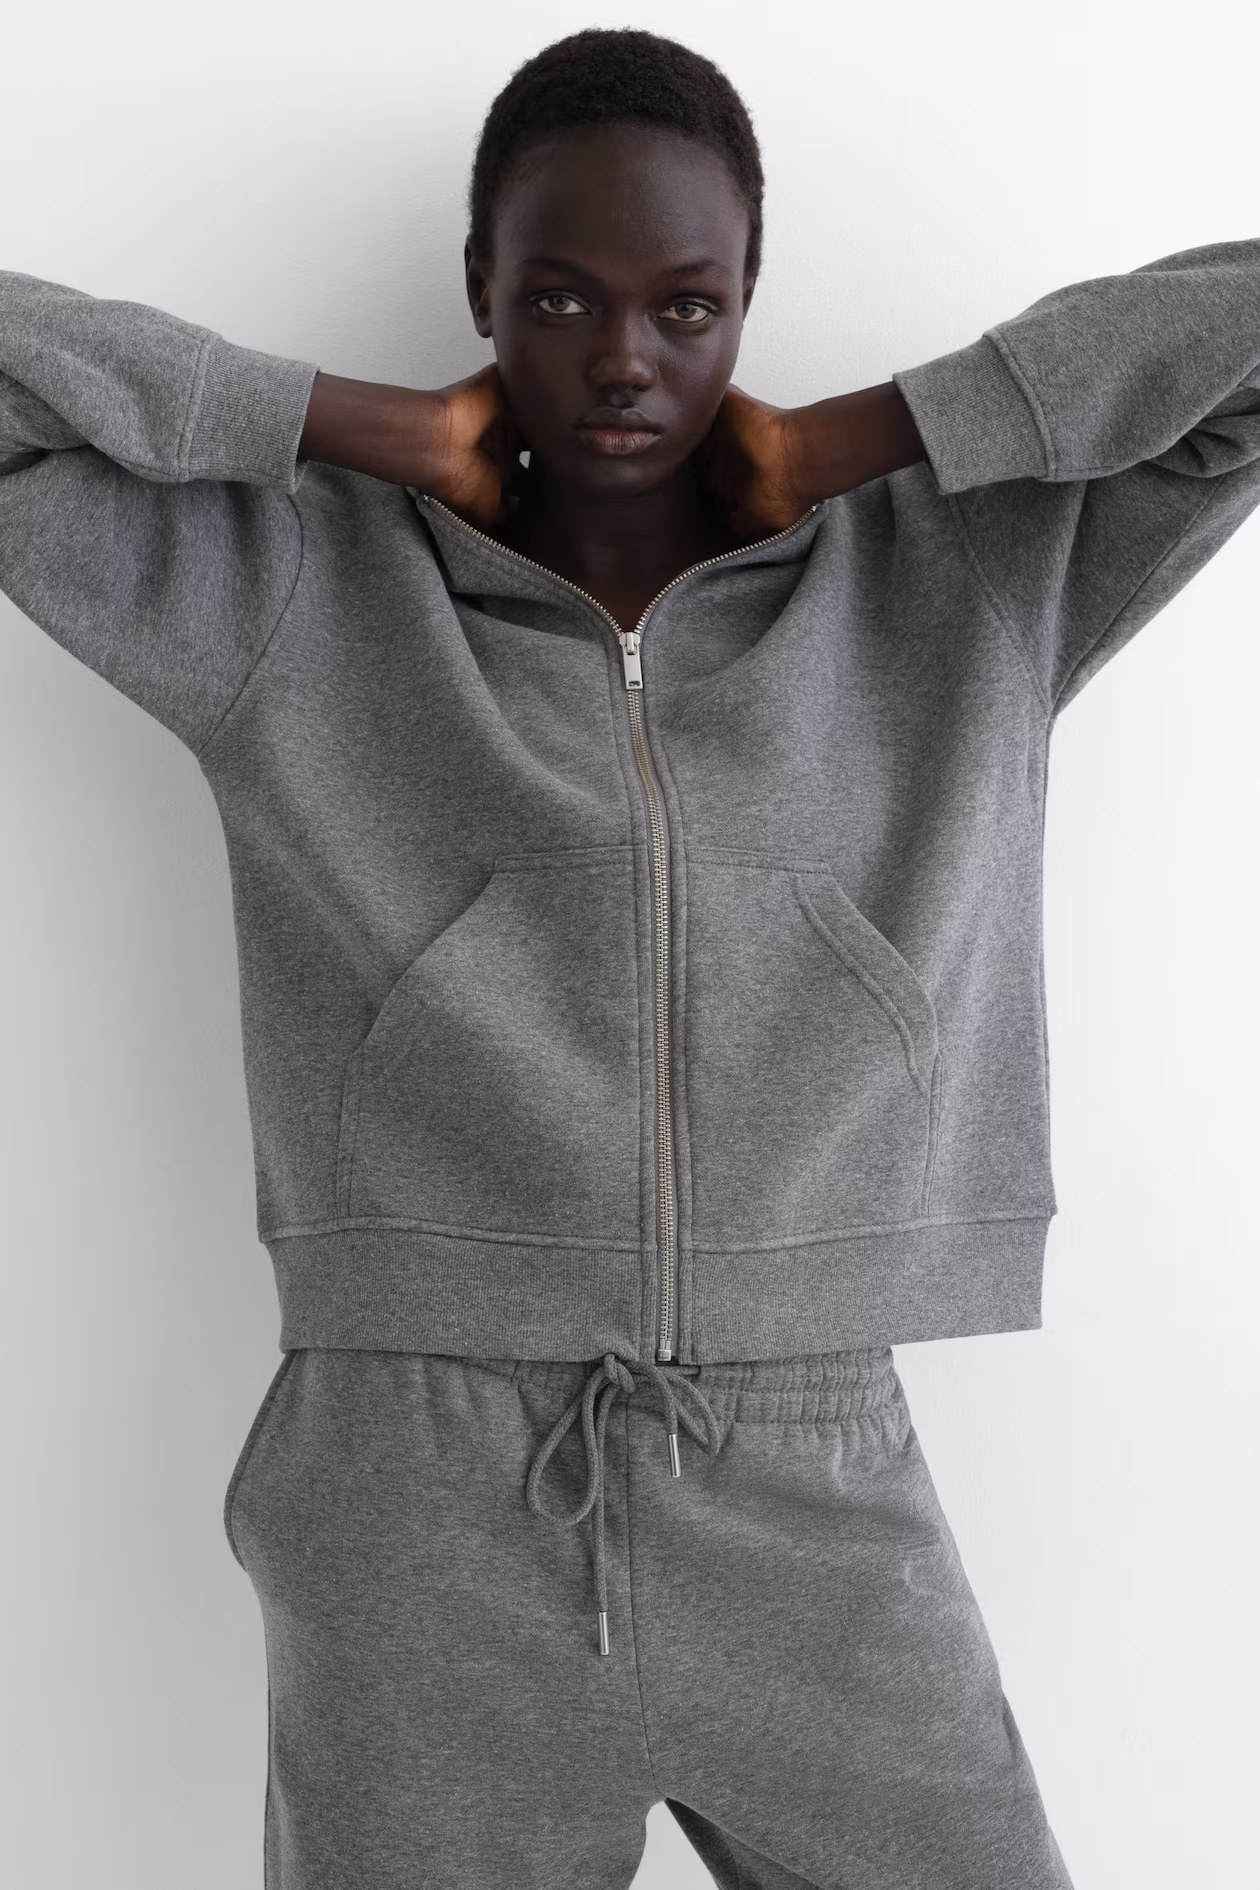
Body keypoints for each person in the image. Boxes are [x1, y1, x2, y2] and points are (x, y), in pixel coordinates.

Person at [1, 24, 1257, 1890]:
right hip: (415, 1500)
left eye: (686, 304)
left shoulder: (958, 577)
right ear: (479, 288)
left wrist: (868, 436)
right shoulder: (293, 588)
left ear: (751, 294)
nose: (621, 358)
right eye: (561, 296)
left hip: (813, 1476)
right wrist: (352, 424)